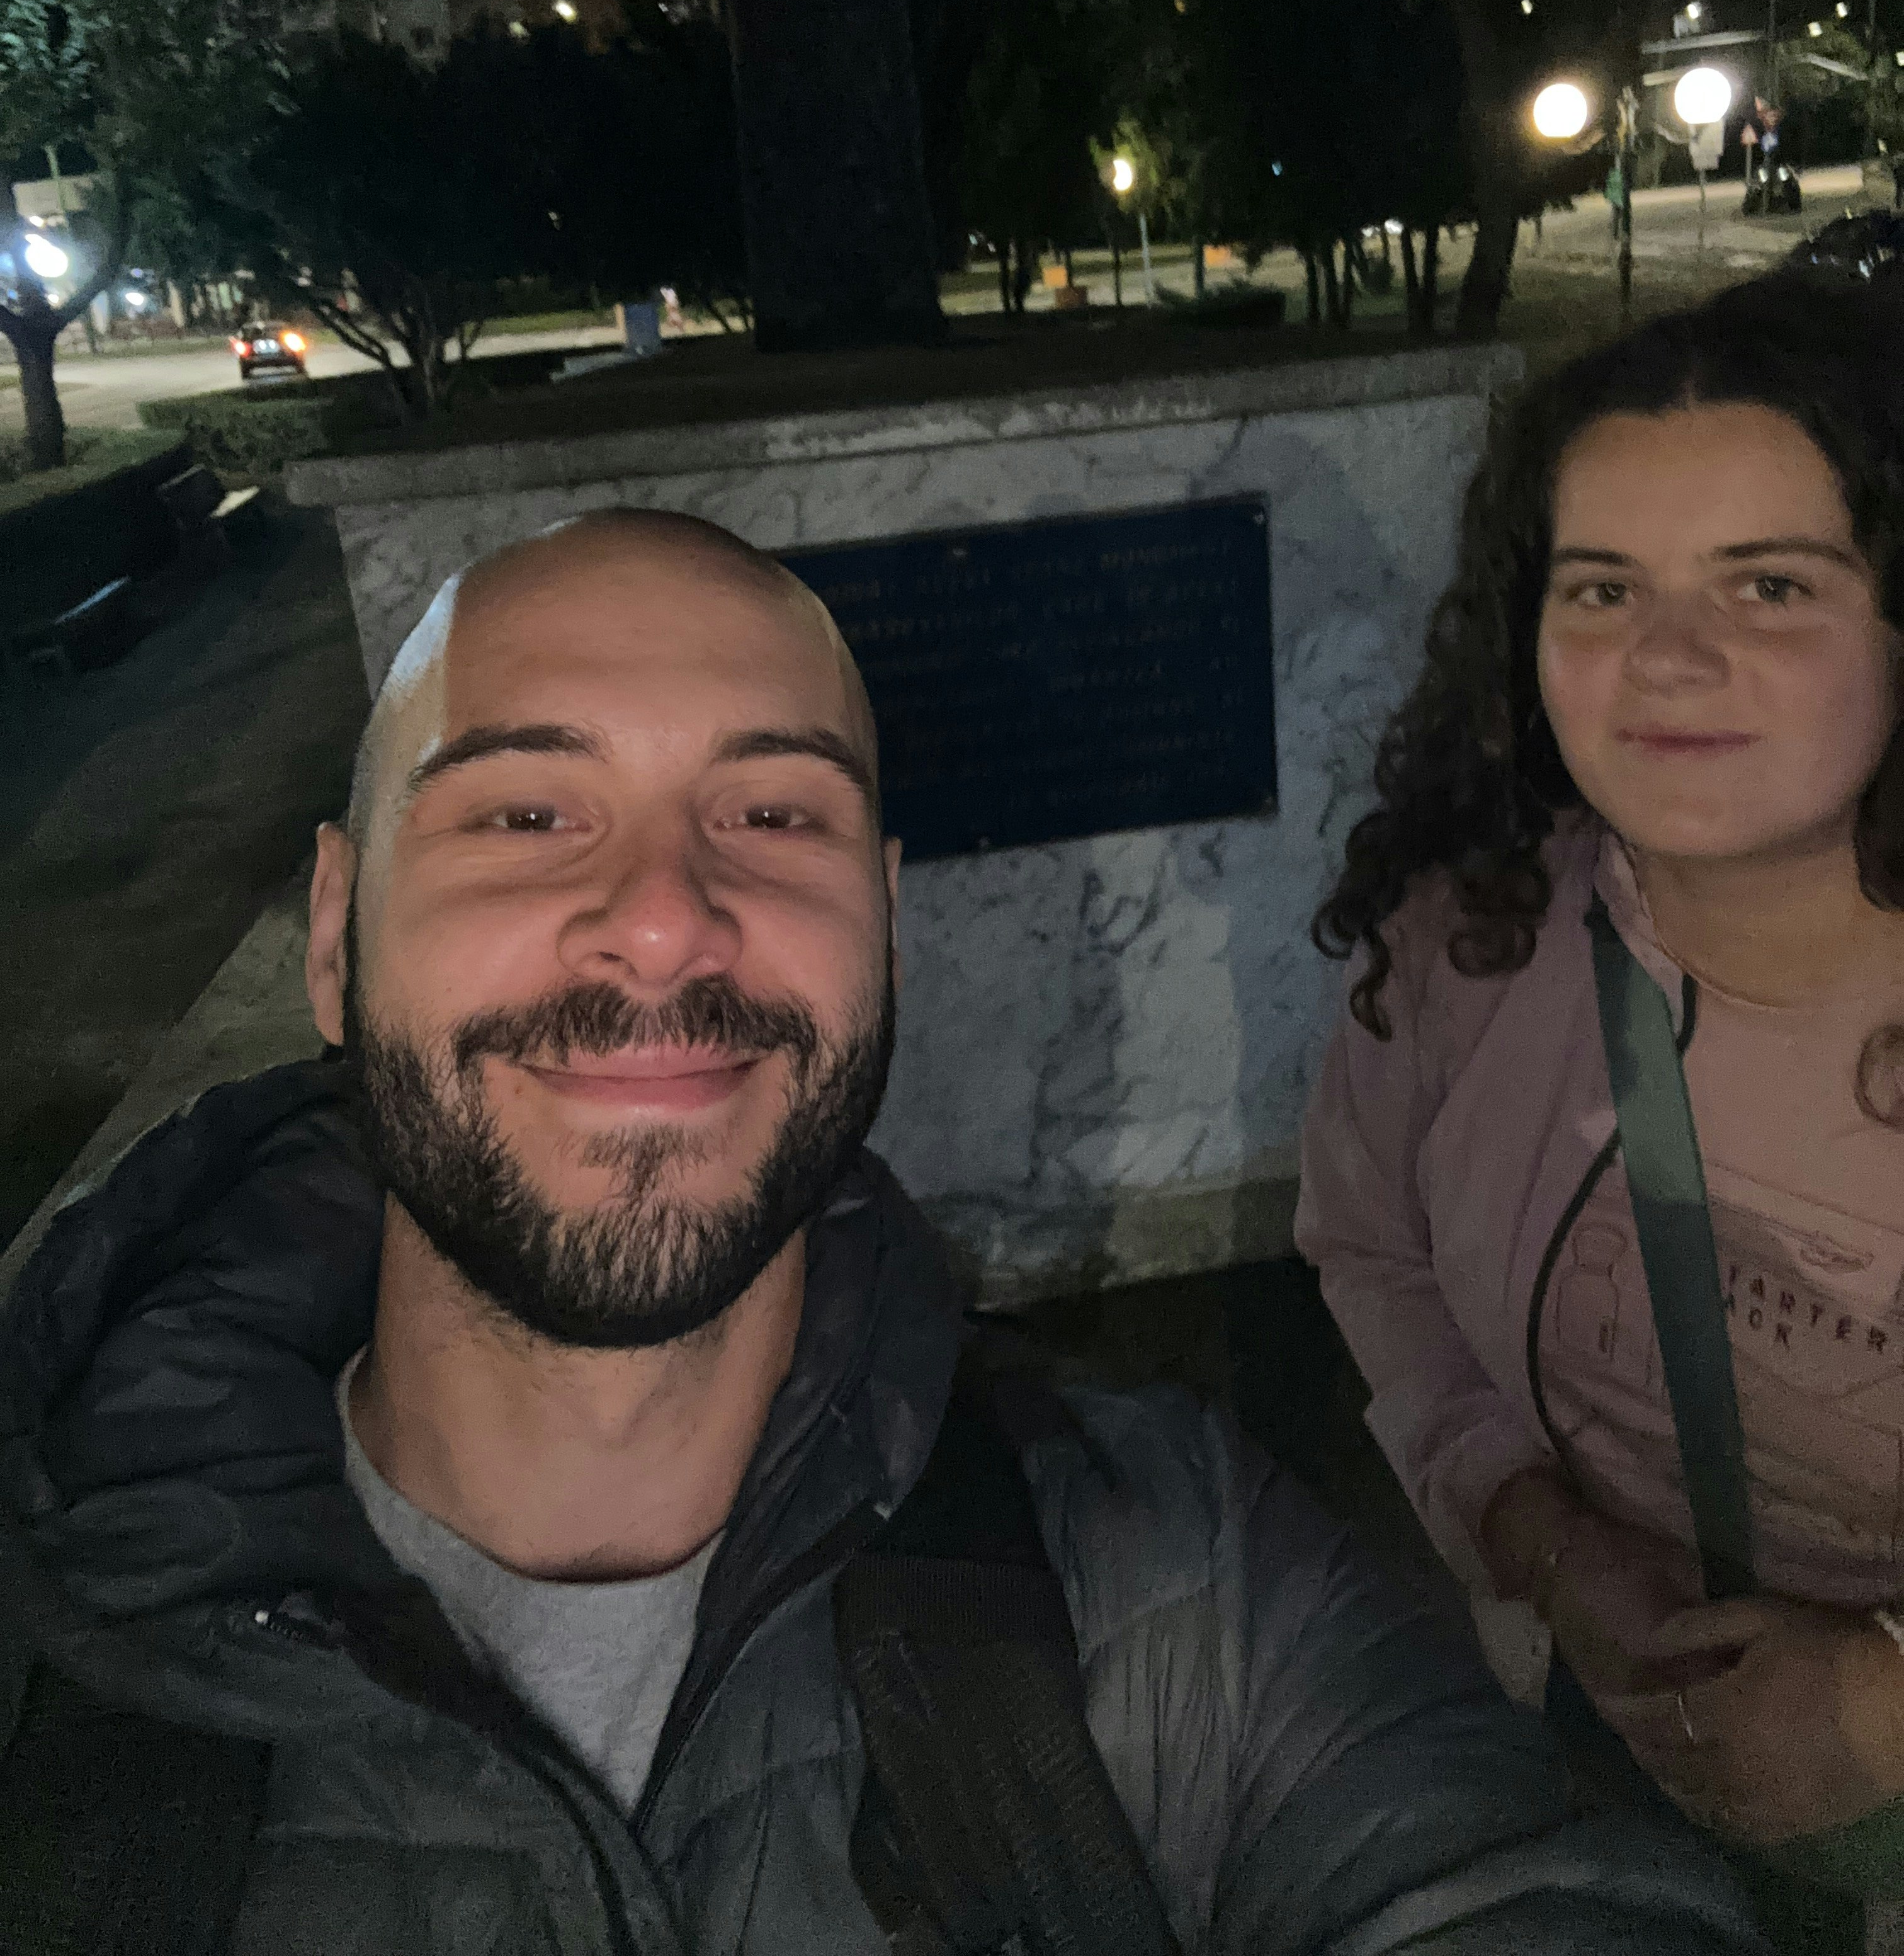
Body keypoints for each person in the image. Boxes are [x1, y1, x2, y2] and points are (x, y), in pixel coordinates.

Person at [0, 510, 1760, 1954]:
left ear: (889, 929)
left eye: (773, 815)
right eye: (526, 813)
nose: (665, 923)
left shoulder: (1167, 1572)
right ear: (334, 932)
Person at [1296, 272, 1904, 1945]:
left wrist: (1873, 1708)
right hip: (1603, 1754)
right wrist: (1536, 1529)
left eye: (1771, 583)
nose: (1673, 658)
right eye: (1605, 587)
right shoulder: (1472, 947)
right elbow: (1373, 1248)